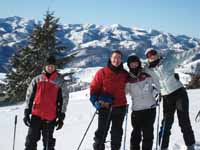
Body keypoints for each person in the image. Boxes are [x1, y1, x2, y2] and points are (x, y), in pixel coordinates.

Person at [144, 47, 198, 150]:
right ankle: (163, 147)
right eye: (149, 55)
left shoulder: (168, 61)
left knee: (184, 121)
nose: (152, 56)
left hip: (179, 93)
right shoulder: (148, 69)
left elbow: (185, 55)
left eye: (153, 53)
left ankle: (190, 146)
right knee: (166, 123)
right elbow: (133, 66)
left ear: (158, 54)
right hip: (166, 97)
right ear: (147, 58)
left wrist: (198, 48)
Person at [23, 55, 69, 150]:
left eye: (52, 66)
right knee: (30, 142)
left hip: (50, 117)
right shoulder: (37, 80)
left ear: (55, 67)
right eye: (48, 66)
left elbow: (64, 99)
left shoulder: (60, 82)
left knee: (48, 145)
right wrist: (27, 112)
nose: (50, 68)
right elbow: (29, 96)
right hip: (36, 115)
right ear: (45, 66)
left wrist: (61, 116)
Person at [90, 50, 129, 150]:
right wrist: (95, 102)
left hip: (120, 107)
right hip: (105, 107)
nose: (116, 60)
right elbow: (94, 89)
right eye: (114, 57)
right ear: (110, 59)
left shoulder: (124, 74)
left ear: (121, 60)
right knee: (101, 133)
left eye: (119, 58)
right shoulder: (102, 72)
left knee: (117, 134)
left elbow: (134, 83)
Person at [126, 55, 158, 150]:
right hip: (137, 110)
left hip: (150, 108)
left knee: (148, 134)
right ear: (129, 65)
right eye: (132, 64)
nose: (134, 65)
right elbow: (122, 92)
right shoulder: (128, 80)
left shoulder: (147, 74)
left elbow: (159, 80)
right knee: (136, 134)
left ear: (139, 63)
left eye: (136, 63)